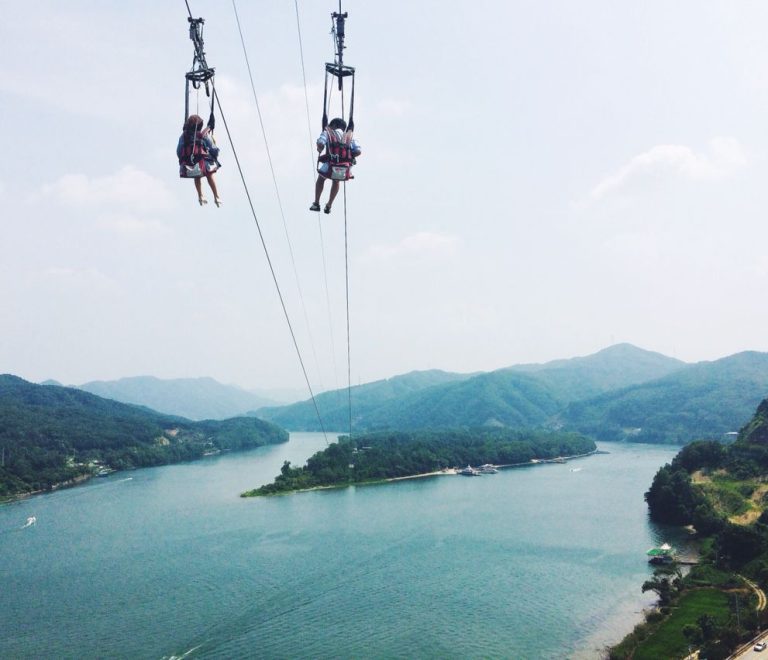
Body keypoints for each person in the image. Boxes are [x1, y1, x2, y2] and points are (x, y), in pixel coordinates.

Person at [310, 117, 361, 214]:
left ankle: (316, 203)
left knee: (321, 179)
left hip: (330, 164)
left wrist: (319, 148)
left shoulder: (328, 132)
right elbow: (358, 151)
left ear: (333, 126)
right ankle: (329, 204)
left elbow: (321, 142)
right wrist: (350, 156)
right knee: (336, 181)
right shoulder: (349, 137)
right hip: (344, 168)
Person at [177, 114, 222, 207]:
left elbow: (179, 150)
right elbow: (213, 149)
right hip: (203, 162)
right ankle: (216, 196)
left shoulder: (183, 137)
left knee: (196, 175)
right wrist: (214, 149)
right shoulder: (203, 135)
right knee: (210, 175)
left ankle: (200, 195)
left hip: (190, 162)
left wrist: (183, 159)